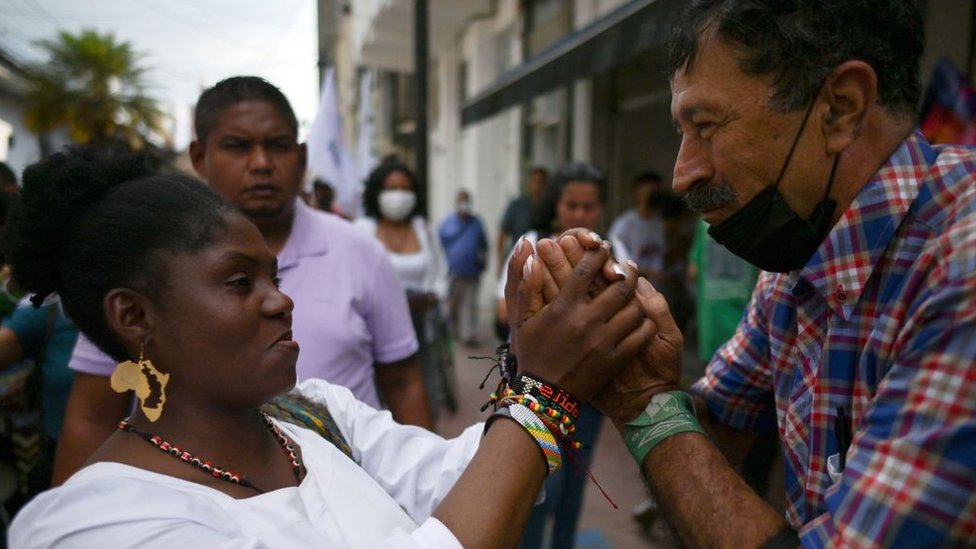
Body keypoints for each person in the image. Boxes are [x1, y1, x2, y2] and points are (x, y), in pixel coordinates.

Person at [5, 145, 653, 547]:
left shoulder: (311, 413)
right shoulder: (96, 523)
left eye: (274, 277)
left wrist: (550, 354)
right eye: (239, 281)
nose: (278, 299)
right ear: (134, 316)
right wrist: (542, 391)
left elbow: (461, 476)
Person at [529, 1, 976, 546]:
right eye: (681, 132)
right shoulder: (802, 256)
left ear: (841, 107)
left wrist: (641, 401)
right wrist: (632, 368)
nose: (682, 174)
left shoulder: (961, 267)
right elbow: (717, 423)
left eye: (706, 126)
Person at [52, 76, 432, 486]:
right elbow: (93, 414)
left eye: (278, 146)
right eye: (238, 146)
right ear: (200, 156)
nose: (262, 163)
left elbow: (404, 382)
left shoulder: (361, 251)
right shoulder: (141, 268)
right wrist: (71, 510)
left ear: (302, 157)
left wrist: (426, 492)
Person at [495, 161, 629, 549]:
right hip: (536, 387)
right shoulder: (532, 244)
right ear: (557, 205)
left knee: (574, 480)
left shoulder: (613, 250)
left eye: (589, 207)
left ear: (600, 208)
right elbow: (504, 310)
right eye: (572, 205)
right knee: (542, 482)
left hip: (590, 388)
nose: (581, 215)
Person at [355, 162, 450, 418]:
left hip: (420, 327)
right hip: (374, 328)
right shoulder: (362, 230)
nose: (399, 195)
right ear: (377, 192)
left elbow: (441, 272)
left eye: (405, 189)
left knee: (422, 391)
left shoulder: (425, 230)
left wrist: (432, 296)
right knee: (378, 399)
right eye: (391, 188)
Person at [438, 190, 488, 347]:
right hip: (453, 272)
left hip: (473, 272)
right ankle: (454, 331)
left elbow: (484, 245)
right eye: (461, 201)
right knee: (453, 304)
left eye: (466, 201)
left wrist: (484, 262)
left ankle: (468, 335)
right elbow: (439, 246)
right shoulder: (447, 223)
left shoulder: (476, 223)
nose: (464, 205)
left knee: (469, 304)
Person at [609, 171, 667, 284]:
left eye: (655, 192)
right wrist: (646, 272)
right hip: (633, 286)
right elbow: (614, 259)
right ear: (636, 193)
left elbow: (664, 254)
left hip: (657, 287)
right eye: (647, 191)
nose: (651, 196)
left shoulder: (660, 223)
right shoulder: (625, 223)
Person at [496, 167, 547, 275]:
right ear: (529, 183)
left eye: (541, 182)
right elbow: (502, 235)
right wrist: (500, 263)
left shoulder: (550, 208)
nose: (537, 186)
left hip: (543, 262)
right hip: (518, 260)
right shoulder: (517, 205)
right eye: (535, 182)